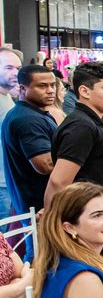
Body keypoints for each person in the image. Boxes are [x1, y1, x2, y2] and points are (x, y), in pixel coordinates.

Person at [47, 61, 103, 207]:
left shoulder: (92, 122)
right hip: (86, 213)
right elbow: (58, 181)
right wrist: (52, 217)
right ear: (85, 91)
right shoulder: (81, 126)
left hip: (100, 210)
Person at [1, 64, 58, 214]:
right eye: (42, 86)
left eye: (53, 85)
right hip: (40, 209)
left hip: (41, 206)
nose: (50, 90)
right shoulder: (28, 119)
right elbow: (45, 165)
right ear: (23, 88)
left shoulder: (32, 114)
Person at [0, 48, 21, 216]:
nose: (15, 73)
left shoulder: (7, 97)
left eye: (18, 68)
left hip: (8, 181)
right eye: (9, 68)